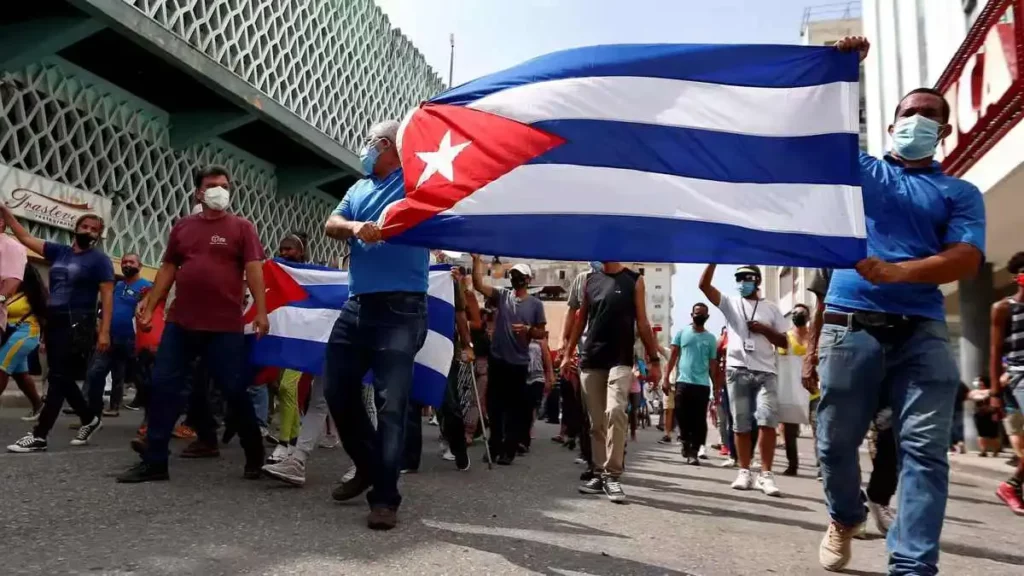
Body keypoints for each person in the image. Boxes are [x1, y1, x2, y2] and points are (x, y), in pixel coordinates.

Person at [817, 37, 986, 575]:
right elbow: (817, 133)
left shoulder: (960, 193)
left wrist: (900, 272)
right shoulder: (862, 171)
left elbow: (965, 258)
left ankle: (912, 567)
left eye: (930, 115)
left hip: (922, 332)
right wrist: (845, 71)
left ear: (945, 130)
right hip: (849, 326)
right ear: (891, 126)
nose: (919, 120)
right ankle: (845, 515)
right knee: (834, 443)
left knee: (924, 453)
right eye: (909, 113)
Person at [116, 164, 269, 482]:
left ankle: (254, 452)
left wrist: (261, 311)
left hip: (223, 326)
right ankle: (155, 461)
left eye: (225, 185)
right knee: (163, 386)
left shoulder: (242, 227)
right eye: (213, 185)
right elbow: (169, 267)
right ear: (199, 191)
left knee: (234, 390)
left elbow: (254, 269)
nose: (220, 191)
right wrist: (152, 304)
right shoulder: (183, 227)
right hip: (182, 323)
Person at [320, 120, 429, 531]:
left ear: (386, 145)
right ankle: (368, 466)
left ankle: (385, 499)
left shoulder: (415, 182)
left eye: (370, 143)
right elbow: (332, 223)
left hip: (402, 309)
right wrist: (353, 228)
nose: (364, 150)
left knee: (391, 406)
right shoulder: (358, 188)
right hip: (358, 306)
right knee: (335, 388)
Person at [4, 208, 113, 453]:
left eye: (94, 230)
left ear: (99, 236)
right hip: (54, 320)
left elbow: (106, 297)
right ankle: (89, 418)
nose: (88, 232)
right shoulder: (60, 251)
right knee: (59, 375)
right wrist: (5, 212)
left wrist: (104, 331)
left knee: (58, 377)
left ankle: (40, 435)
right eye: (85, 226)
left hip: (78, 323)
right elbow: (26, 238)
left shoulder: (99, 260)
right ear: (75, 228)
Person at [562, 261, 662, 503]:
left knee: (615, 411)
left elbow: (643, 322)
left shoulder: (634, 280)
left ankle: (612, 476)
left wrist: (654, 359)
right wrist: (567, 353)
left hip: (621, 360)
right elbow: (580, 319)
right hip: (591, 360)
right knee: (596, 423)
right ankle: (598, 473)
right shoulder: (589, 281)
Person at [700, 264, 788, 496]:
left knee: (767, 420)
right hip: (737, 370)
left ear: (756, 281)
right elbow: (704, 286)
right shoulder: (731, 303)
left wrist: (763, 329)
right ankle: (745, 471)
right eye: (738, 279)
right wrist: (713, 260)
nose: (741, 283)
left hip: (766, 372)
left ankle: (766, 475)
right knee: (740, 423)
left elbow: (785, 341)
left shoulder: (771, 308)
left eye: (745, 278)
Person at [471, 257, 546, 466]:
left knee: (514, 409)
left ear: (528, 279)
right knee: (495, 407)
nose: (516, 279)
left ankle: (509, 449)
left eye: (520, 276)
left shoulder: (536, 304)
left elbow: (541, 332)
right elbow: (478, 285)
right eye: (513, 276)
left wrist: (528, 330)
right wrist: (476, 260)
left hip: (519, 363)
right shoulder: (502, 296)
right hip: (498, 360)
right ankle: (494, 446)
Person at [84, 252, 151, 418]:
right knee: (95, 370)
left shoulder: (146, 287)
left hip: (130, 338)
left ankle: (115, 406)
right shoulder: (118, 285)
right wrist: (100, 328)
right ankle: (88, 406)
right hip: (109, 335)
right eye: (124, 262)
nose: (127, 265)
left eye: (131, 262)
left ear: (140, 266)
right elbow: (106, 306)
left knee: (121, 373)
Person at [664, 302, 719, 465]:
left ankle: (693, 451)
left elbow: (713, 365)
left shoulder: (710, 339)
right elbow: (672, 357)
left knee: (699, 420)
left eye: (702, 313)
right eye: (696, 313)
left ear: (707, 317)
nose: (699, 315)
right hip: (683, 382)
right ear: (691, 315)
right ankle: (685, 441)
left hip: (702, 385)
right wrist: (666, 378)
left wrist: (716, 387)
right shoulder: (682, 333)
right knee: (681, 416)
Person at [990, 252, 1024, 515]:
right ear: (1016, 277)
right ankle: (1012, 486)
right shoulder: (1004, 307)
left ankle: (1012, 485)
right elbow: (994, 351)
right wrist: (994, 393)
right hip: (1018, 375)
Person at [0, 262, 46, 419]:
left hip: (26, 333)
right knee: (20, 375)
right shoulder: (10, 291)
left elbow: (46, 317)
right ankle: (39, 407)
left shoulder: (32, 294)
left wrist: (45, 340)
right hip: (11, 334)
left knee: (1, 367)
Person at [778, 303, 811, 476]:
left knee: (821, 431)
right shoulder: (786, 337)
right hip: (792, 390)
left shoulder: (814, 336)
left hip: (813, 391)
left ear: (808, 317)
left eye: (802, 313)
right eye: (795, 312)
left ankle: (822, 468)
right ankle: (793, 465)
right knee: (790, 433)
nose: (798, 315)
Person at [969, 377, 1001, 457]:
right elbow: (972, 396)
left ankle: (996, 450)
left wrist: (995, 413)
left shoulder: (992, 391)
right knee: (981, 434)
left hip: (991, 414)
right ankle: (983, 451)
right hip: (979, 414)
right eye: (979, 384)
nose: (980, 385)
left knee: (993, 434)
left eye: (981, 384)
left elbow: (996, 403)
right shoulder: (976, 392)